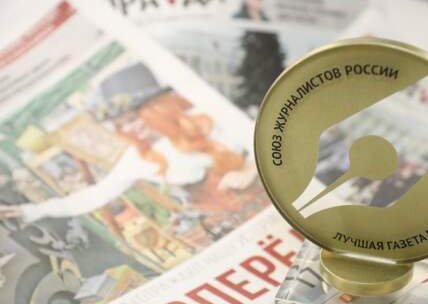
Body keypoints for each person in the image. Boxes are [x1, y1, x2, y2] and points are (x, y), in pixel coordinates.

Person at [0, 92, 257, 223]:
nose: (130, 129)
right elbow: (96, 195)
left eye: (133, 119)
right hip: (236, 215)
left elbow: (267, 132)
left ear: (158, 109)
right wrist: (32, 210)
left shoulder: (208, 117)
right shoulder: (139, 159)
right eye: (121, 125)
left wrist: (251, 169)